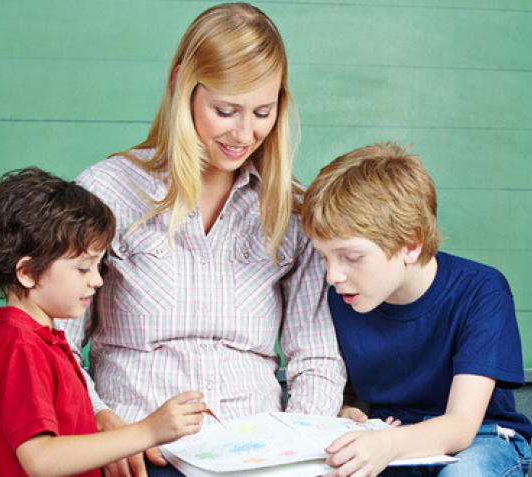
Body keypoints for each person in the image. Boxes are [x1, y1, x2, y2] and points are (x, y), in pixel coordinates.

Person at [56, 3, 346, 476]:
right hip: (140, 460)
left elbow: (315, 357)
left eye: (263, 112)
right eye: (225, 111)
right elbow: (55, 341)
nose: (244, 133)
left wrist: (300, 448)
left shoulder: (292, 211)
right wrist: (99, 419)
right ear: (181, 86)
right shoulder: (107, 192)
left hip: (258, 461)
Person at [300, 142, 532, 476]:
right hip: (385, 434)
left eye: (351, 257)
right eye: (324, 257)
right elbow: (353, 390)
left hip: (479, 440)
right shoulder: (341, 298)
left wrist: (388, 444)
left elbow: (462, 424)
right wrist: (347, 410)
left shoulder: (481, 290)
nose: (332, 275)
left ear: (410, 245)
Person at [0, 168, 207, 477]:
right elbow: (41, 460)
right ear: (28, 272)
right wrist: (148, 430)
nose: (97, 281)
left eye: (98, 266)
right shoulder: (19, 346)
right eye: (83, 268)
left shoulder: (44, 343)